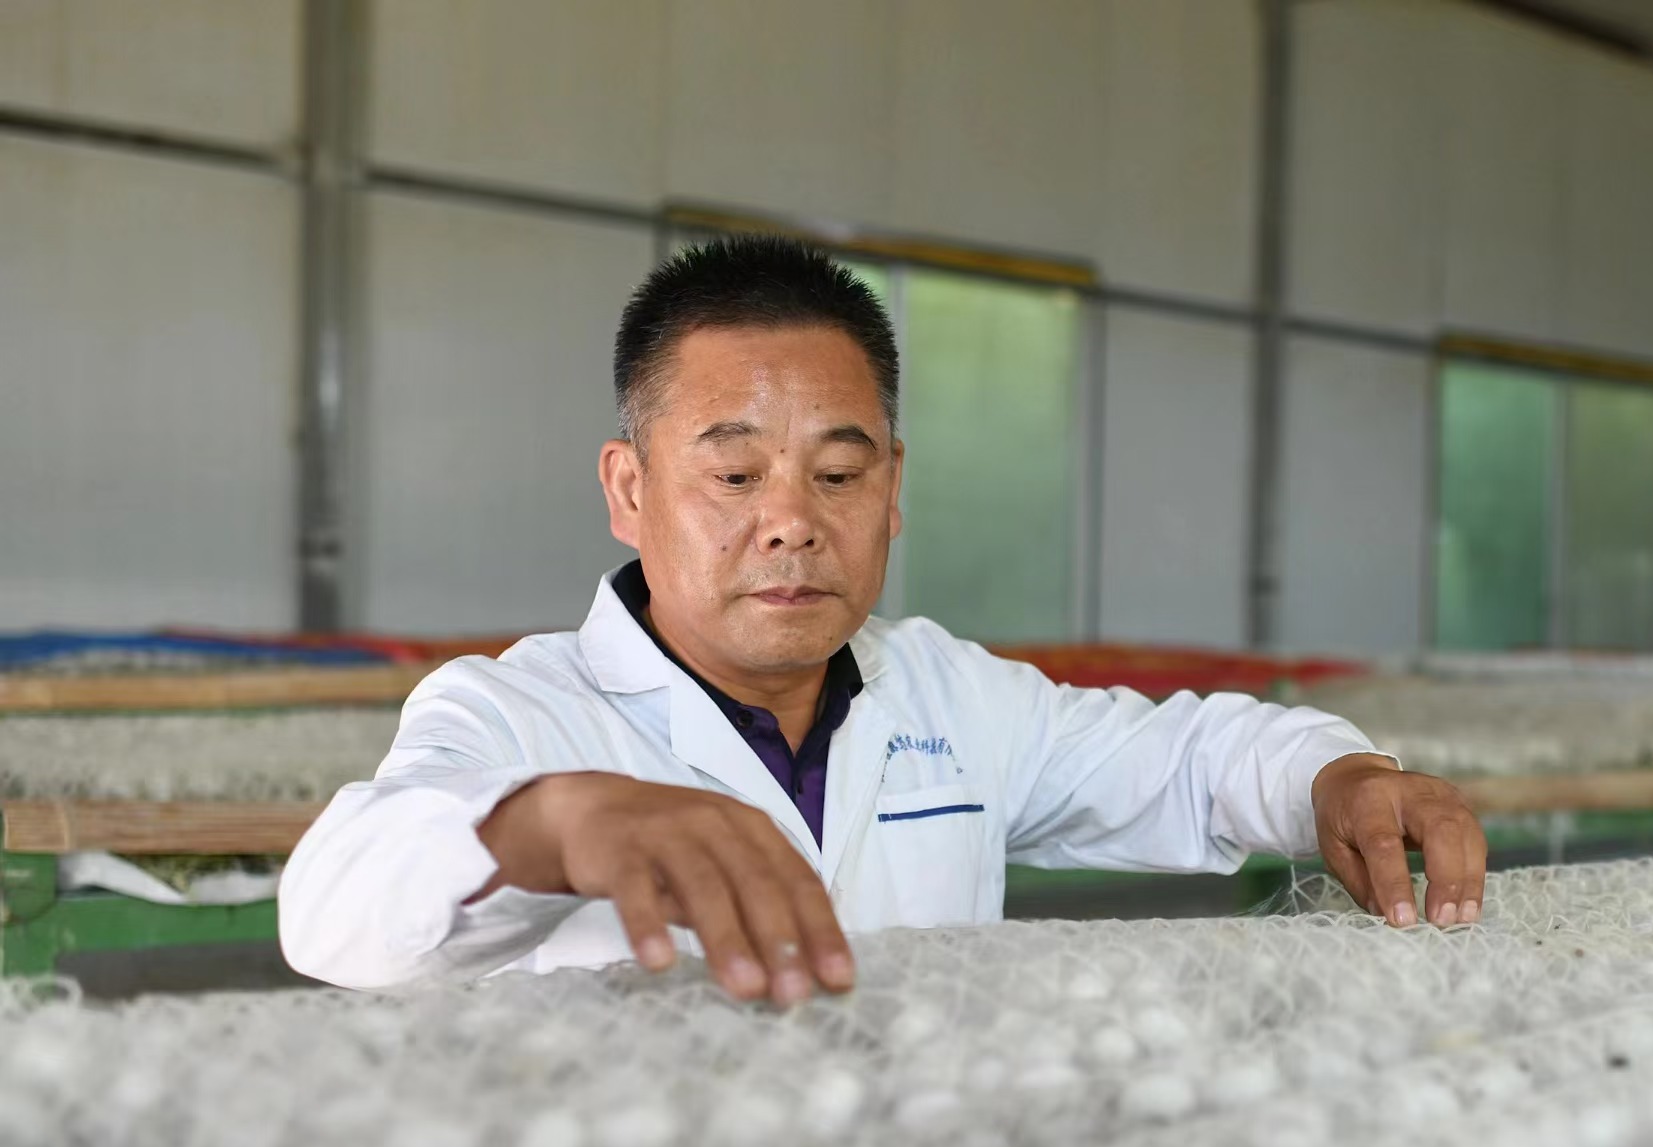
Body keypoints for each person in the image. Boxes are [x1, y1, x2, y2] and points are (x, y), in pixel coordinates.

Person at [280, 236, 1487, 1004]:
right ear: (629, 490)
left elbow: (1189, 758)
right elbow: (334, 911)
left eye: (839, 475)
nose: (793, 524)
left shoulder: (950, 697)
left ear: (893, 490)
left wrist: (1336, 778)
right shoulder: (518, 713)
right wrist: (550, 826)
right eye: (734, 475)